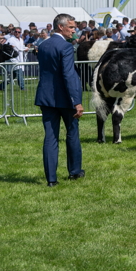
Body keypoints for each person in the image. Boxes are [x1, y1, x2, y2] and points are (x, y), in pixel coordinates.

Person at [36, 14, 85, 187]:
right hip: (65, 98)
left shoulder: (43, 45)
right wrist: (76, 101)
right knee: (72, 133)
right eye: (71, 27)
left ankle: (51, 179)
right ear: (60, 27)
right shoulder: (65, 46)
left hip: (46, 97)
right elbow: (68, 75)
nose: (74, 30)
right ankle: (75, 171)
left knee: (50, 138)